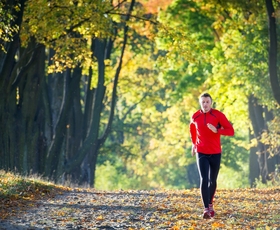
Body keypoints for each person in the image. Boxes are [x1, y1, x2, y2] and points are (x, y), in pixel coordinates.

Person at [189, 93, 234, 219]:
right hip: (201, 151)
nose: (205, 104)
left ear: (211, 103)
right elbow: (192, 128)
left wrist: (217, 130)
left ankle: (210, 203)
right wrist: (194, 144)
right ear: (200, 103)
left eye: (207, 102)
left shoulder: (218, 115)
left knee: (212, 180)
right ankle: (206, 209)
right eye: (203, 102)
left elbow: (230, 131)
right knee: (203, 179)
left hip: (215, 152)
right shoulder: (195, 116)